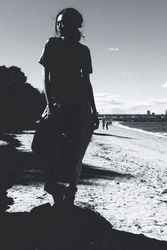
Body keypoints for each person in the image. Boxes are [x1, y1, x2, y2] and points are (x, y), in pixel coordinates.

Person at [39, 8, 99, 206]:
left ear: (76, 24)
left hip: (80, 106)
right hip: (56, 103)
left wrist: (94, 110)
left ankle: (70, 192)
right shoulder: (52, 44)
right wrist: (49, 105)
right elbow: (46, 78)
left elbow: (86, 82)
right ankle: (52, 185)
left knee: (76, 154)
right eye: (58, 22)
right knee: (40, 146)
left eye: (64, 22)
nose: (60, 25)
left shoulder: (83, 51)